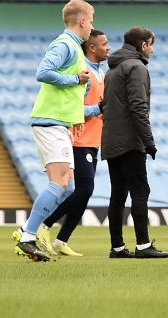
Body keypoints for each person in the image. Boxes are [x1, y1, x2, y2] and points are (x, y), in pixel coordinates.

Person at [13, 0, 94, 261]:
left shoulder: (75, 48)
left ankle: (27, 232)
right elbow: (43, 72)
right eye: (91, 20)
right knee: (59, 182)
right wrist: (75, 79)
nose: (92, 26)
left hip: (61, 123)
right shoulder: (65, 44)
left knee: (69, 186)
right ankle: (27, 236)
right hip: (50, 122)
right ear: (81, 21)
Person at [100, 26, 168, 259]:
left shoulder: (113, 69)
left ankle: (118, 247)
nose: (152, 50)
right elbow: (138, 108)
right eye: (151, 45)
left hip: (111, 140)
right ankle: (143, 245)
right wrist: (149, 142)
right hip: (130, 141)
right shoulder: (137, 67)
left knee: (118, 195)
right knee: (141, 191)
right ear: (143, 45)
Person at [38, 28, 110, 256]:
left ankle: (61, 241)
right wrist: (99, 108)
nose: (108, 47)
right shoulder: (83, 71)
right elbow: (75, 107)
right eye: (104, 44)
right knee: (84, 188)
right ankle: (42, 225)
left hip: (94, 139)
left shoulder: (101, 72)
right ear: (92, 47)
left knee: (84, 191)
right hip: (78, 139)